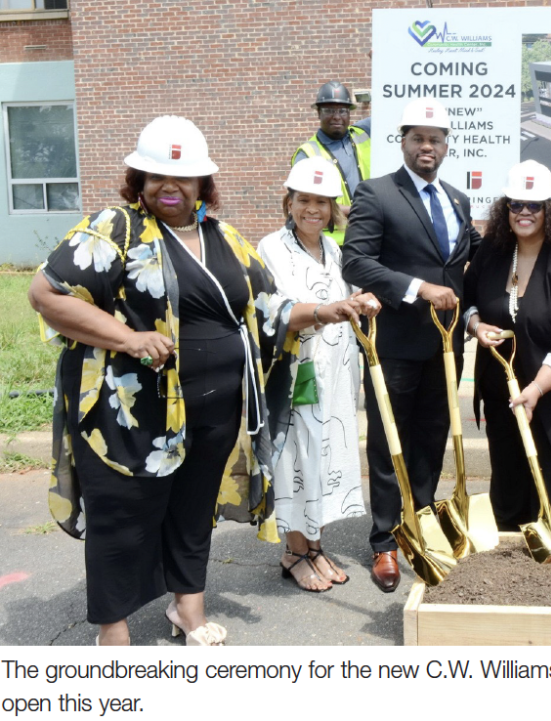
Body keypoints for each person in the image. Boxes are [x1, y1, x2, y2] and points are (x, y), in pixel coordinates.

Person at [27, 116, 370, 645]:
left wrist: (329, 309)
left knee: (192, 512)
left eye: (183, 177)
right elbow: (47, 295)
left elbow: (269, 306)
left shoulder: (225, 237)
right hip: (130, 413)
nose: (171, 187)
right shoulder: (114, 229)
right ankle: (112, 629)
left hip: (211, 412)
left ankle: (188, 610)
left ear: (201, 185)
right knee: (124, 518)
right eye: (158, 175)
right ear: (138, 179)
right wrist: (127, 338)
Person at [342, 97, 481, 593]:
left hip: (445, 348)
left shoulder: (458, 200)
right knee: (388, 444)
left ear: (447, 145)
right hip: (394, 345)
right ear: (402, 143)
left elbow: (468, 266)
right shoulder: (376, 194)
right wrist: (418, 289)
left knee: (431, 439)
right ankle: (384, 541)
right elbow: (356, 263)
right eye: (418, 138)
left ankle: (418, 523)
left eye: (436, 139)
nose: (428, 146)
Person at [257, 157, 380, 592]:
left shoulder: (334, 248)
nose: (313, 209)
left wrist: (361, 299)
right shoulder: (271, 247)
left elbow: (341, 295)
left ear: (333, 208)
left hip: (337, 374)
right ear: (288, 202)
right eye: (304, 200)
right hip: (297, 373)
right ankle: (295, 552)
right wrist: (329, 312)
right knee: (296, 459)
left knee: (326, 457)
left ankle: (316, 545)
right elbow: (276, 310)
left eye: (322, 202)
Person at [464, 161, 551, 530]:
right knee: (507, 481)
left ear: (549, 210)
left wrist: (536, 389)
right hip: (500, 390)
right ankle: (508, 557)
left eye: (534, 205)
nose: (524, 213)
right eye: (516, 204)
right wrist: (476, 326)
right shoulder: (491, 255)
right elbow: (468, 298)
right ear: (505, 208)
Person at [292, 81, 371, 245]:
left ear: (349, 114)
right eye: (329, 110)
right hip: (334, 244)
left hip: (370, 237)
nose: (337, 116)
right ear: (318, 113)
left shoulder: (363, 134)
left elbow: (392, 107)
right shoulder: (307, 153)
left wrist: (380, 61)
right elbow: (301, 205)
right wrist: (355, 211)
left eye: (342, 111)